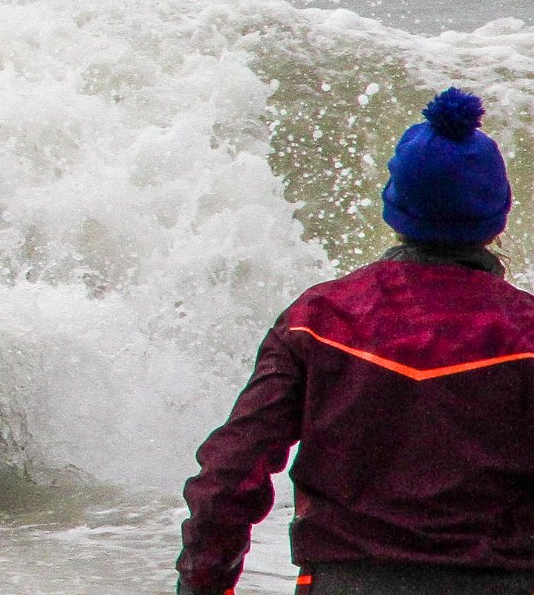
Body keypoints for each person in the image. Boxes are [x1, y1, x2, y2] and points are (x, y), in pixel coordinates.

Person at [176, 87, 534, 595]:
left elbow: (230, 473)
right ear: (497, 219)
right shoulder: (526, 330)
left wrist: (203, 584)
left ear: (396, 210)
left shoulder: (319, 319)